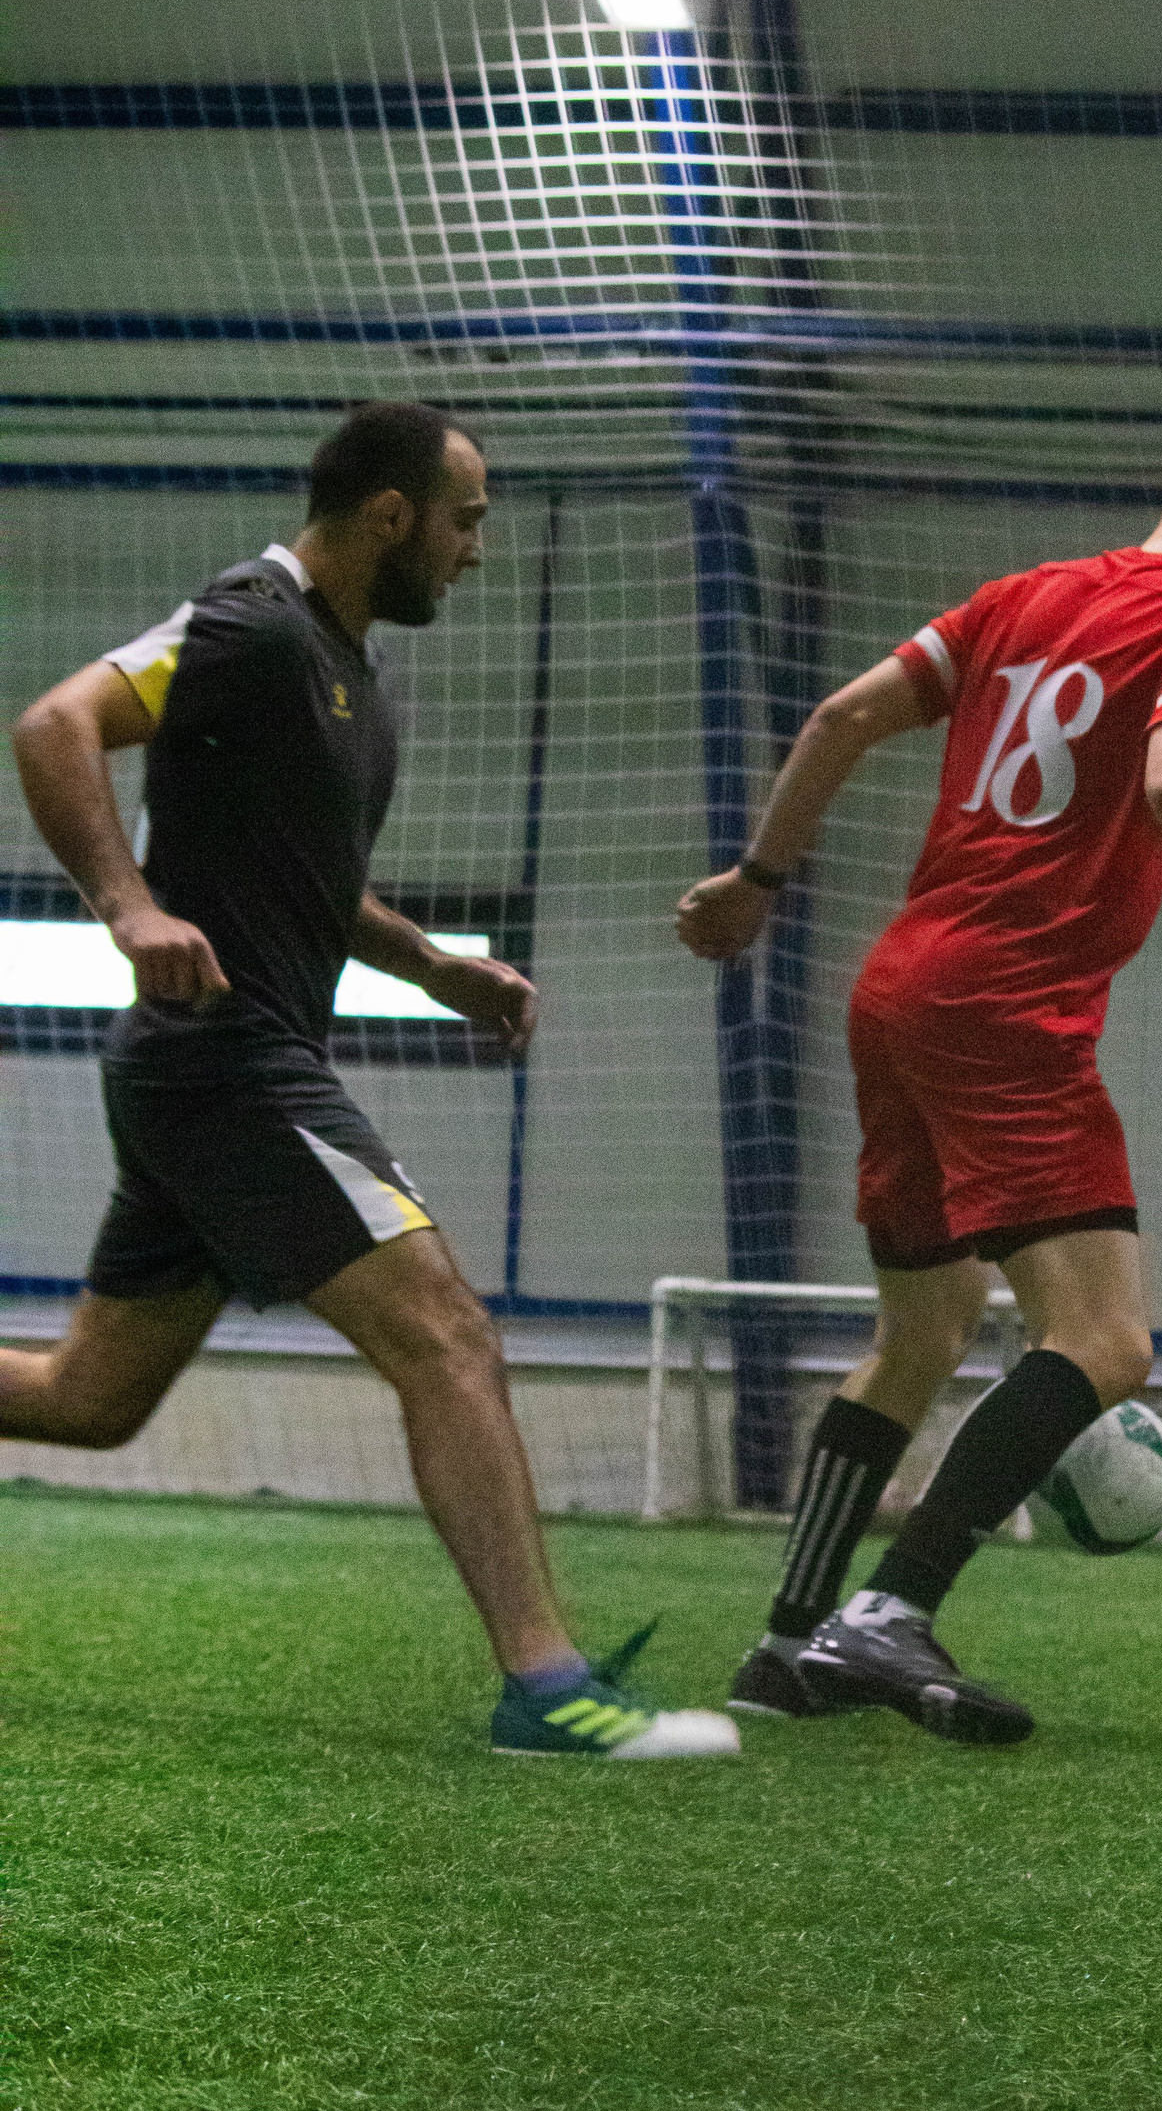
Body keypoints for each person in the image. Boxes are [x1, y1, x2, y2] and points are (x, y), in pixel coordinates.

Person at [2, 400, 735, 1763]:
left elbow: (313, 886)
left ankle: (547, 1686)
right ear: (391, 514)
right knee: (449, 1336)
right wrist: (128, 909)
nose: (475, 551)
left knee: (86, 1400)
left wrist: (433, 964)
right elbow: (55, 726)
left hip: (209, 1072)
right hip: (230, 1065)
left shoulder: (348, 677)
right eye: (465, 521)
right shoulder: (254, 625)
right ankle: (548, 1689)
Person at [677, 425, 1162, 1743]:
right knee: (1106, 1341)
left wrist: (759, 879)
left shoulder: (1018, 599)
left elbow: (843, 716)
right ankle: (891, 1608)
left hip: (898, 986)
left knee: (922, 1331)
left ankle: (789, 1645)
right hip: (1006, 1010)